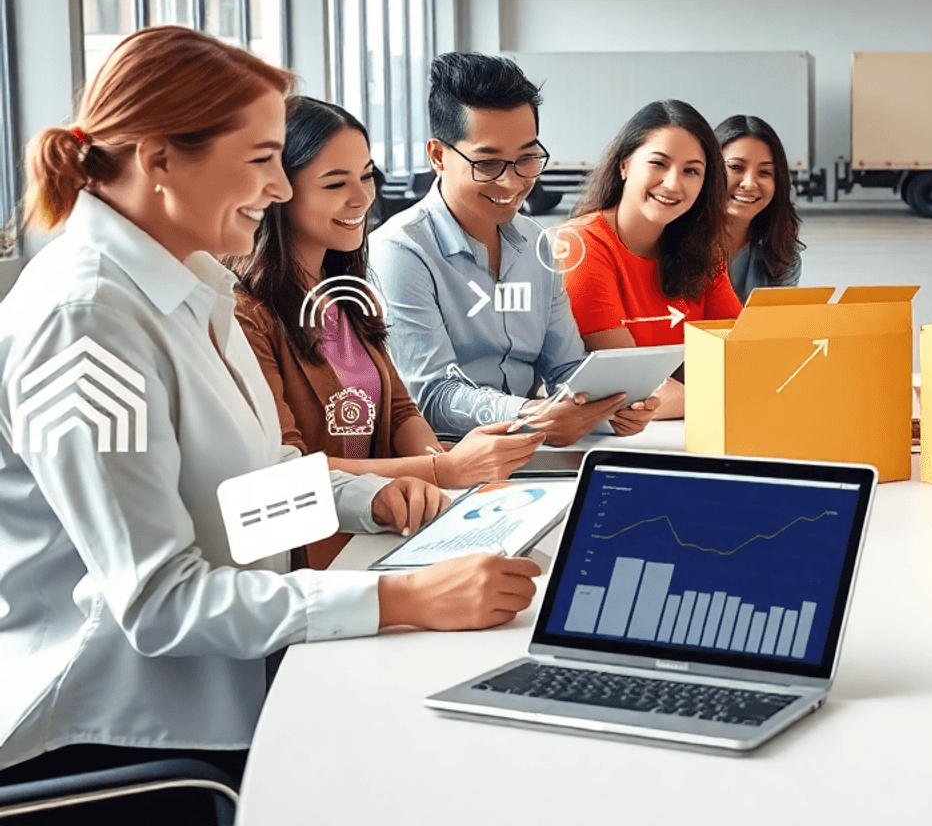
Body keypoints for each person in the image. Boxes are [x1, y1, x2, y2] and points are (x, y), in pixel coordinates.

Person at [0, 28, 540, 797]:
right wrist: (402, 598)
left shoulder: (190, 289)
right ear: (158, 159)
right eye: (260, 161)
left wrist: (371, 498)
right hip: (121, 743)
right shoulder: (84, 324)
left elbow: (251, 494)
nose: (282, 189)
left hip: (226, 695)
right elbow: (160, 603)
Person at [231, 97, 544, 568]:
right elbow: (284, 470)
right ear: (278, 190)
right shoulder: (247, 314)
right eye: (336, 183)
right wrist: (444, 468)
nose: (361, 197)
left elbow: (398, 412)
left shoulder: (347, 295)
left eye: (366, 175)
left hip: (384, 539)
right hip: (311, 562)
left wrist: (455, 475)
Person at [368, 53, 654, 445]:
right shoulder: (399, 251)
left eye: (527, 159)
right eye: (487, 164)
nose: (511, 183)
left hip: (530, 448)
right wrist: (534, 414)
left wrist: (611, 406)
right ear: (437, 156)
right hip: (447, 459)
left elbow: (565, 367)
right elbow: (432, 397)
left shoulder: (536, 241)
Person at [561, 100, 743, 420]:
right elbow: (630, 388)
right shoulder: (580, 246)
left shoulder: (705, 252)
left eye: (691, 171)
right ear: (624, 165)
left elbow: (741, 357)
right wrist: (725, 393)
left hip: (682, 431)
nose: (673, 183)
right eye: (659, 163)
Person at [714, 114, 804, 302]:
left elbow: (775, 328)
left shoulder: (782, 256)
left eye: (765, 172)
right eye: (736, 167)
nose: (749, 184)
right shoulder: (673, 245)